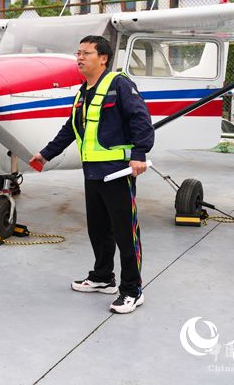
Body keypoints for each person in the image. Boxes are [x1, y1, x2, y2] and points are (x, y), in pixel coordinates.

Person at [29, 35, 154, 314]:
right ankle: (102, 277)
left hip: (117, 171)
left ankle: (132, 290)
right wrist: (46, 154)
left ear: (103, 58)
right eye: (78, 53)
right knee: (98, 229)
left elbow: (140, 118)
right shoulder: (83, 92)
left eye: (86, 53)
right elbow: (71, 128)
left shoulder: (119, 84)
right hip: (93, 172)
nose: (80, 58)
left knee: (125, 233)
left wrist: (139, 153)